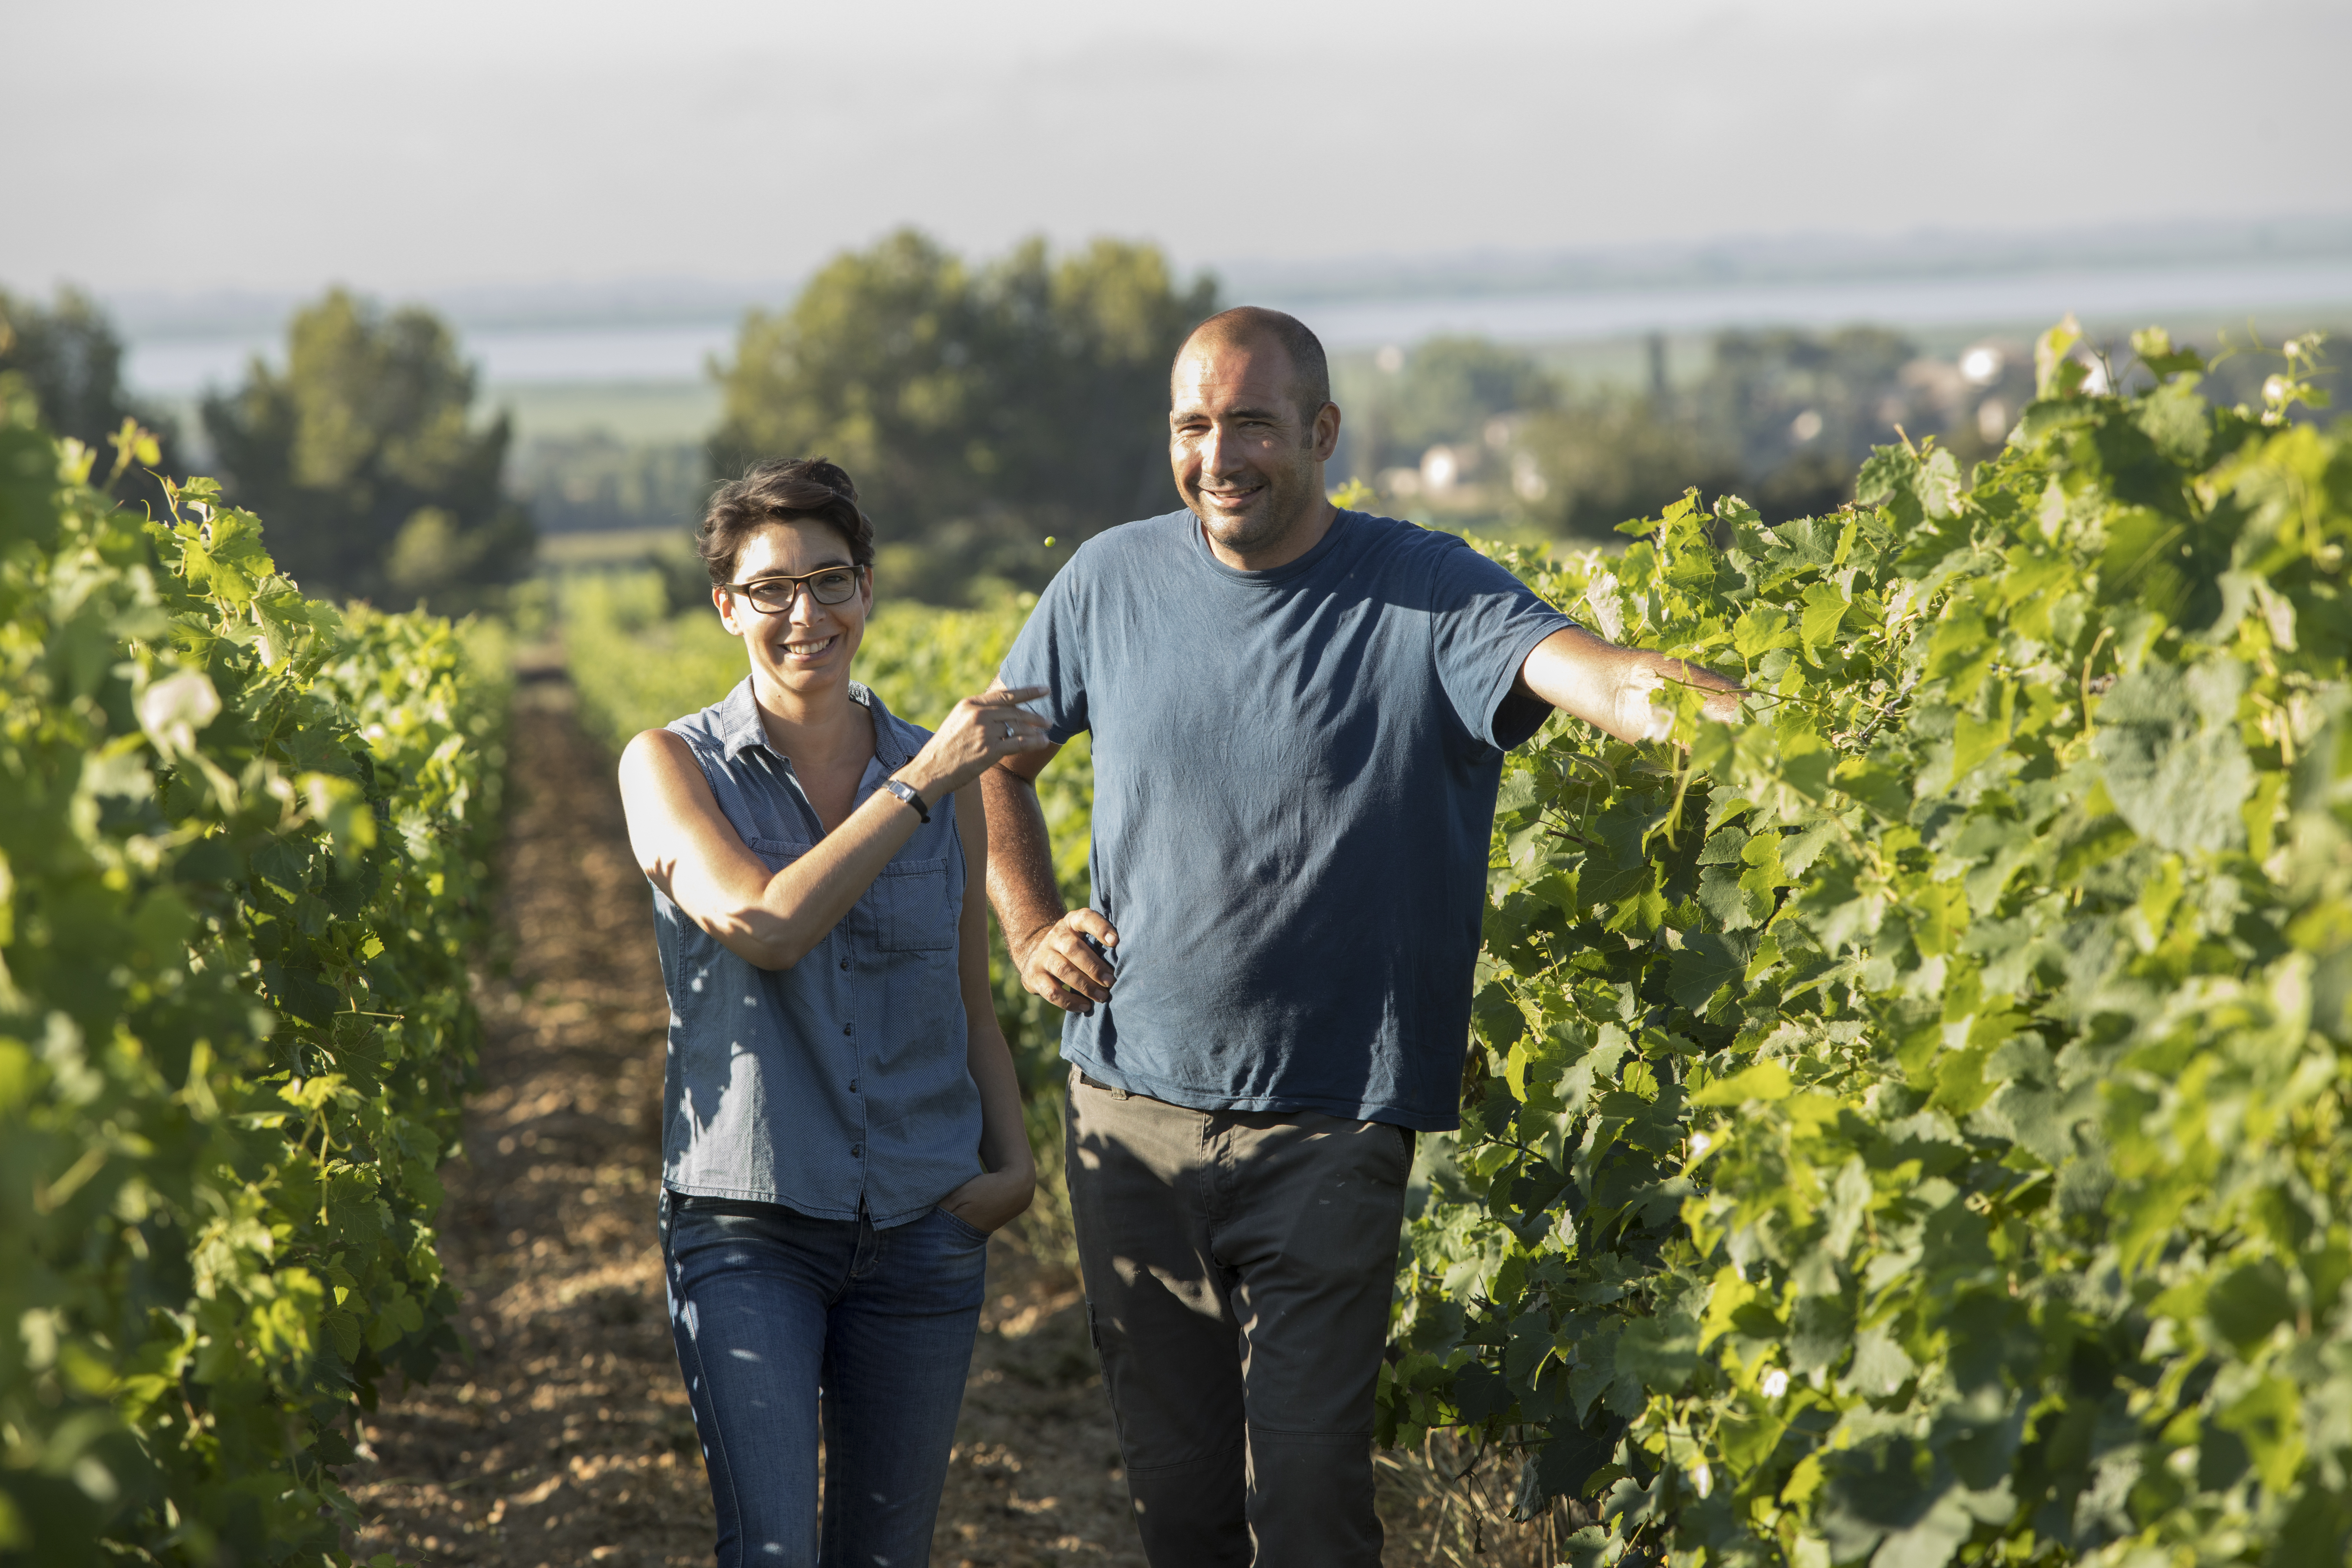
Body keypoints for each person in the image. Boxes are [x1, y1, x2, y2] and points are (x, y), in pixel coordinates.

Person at [980, 308, 1743, 1565]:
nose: (1218, 457)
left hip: (1334, 1122)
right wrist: (1027, 924)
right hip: (1125, 1109)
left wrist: (1764, 727)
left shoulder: (1427, 588)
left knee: (1310, 1501)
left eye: (1252, 427)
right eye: (1193, 426)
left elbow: (1590, 674)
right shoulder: (1107, 582)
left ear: (1324, 432)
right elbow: (996, 758)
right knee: (1178, 1508)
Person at [616, 457, 1051, 1568]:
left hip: (925, 1226)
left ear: (869, 589)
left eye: (831, 579)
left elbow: (969, 1000)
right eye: (771, 589)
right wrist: (919, 789)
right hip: (748, 1225)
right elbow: (763, 924)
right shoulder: (671, 767)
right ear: (727, 607)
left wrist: (1012, 1173)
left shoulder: (934, 775)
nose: (805, 614)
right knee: (771, 1550)